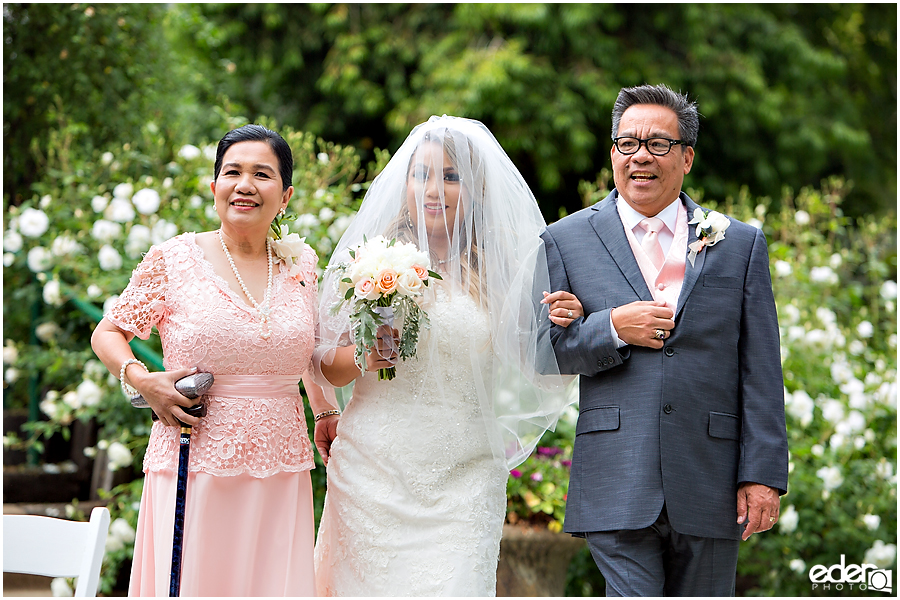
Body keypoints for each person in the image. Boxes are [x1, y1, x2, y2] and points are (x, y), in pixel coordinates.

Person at [540, 84, 789, 596]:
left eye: (658, 144)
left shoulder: (739, 243)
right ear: (613, 152)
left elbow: (760, 367)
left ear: (687, 157)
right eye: (627, 144)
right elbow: (549, 350)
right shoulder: (564, 239)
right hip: (616, 471)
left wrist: (763, 475)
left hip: (712, 476)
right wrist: (612, 326)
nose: (641, 157)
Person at [311, 115, 575, 596]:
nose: (434, 189)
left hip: (466, 476)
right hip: (372, 472)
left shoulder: (502, 273)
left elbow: (537, 363)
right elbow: (326, 361)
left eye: (451, 177)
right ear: (405, 183)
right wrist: (365, 357)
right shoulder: (369, 259)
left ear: (474, 190)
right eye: (422, 174)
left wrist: (564, 322)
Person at [91, 124, 340, 596]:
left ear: (285, 196)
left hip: (281, 462)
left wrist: (325, 409)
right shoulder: (175, 259)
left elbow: (307, 349)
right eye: (233, 172)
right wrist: (143, 381)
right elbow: (108, 333)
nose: (245, 184)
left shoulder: (300, 263)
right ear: (214, 188)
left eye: (261, 174)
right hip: (196, 454)